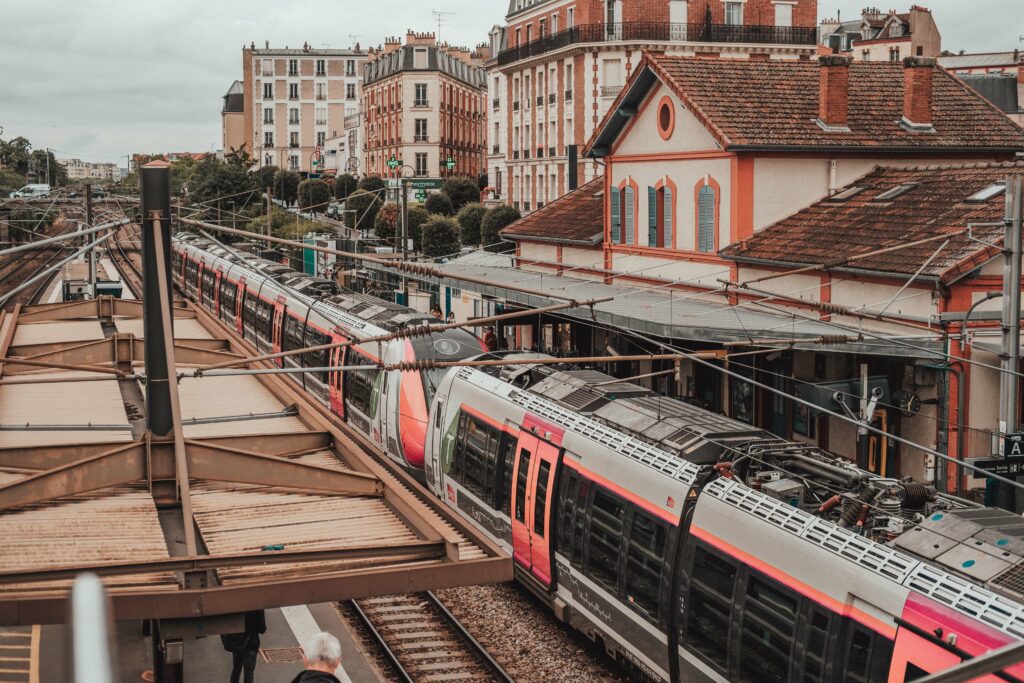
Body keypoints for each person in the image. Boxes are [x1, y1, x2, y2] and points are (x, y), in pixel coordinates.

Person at [220, 610, 266, 683]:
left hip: (236, 642)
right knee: (248, 673)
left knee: (236, 669)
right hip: (250, 643)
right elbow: (262, 629)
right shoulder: (257, 604)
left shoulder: (235, 602)